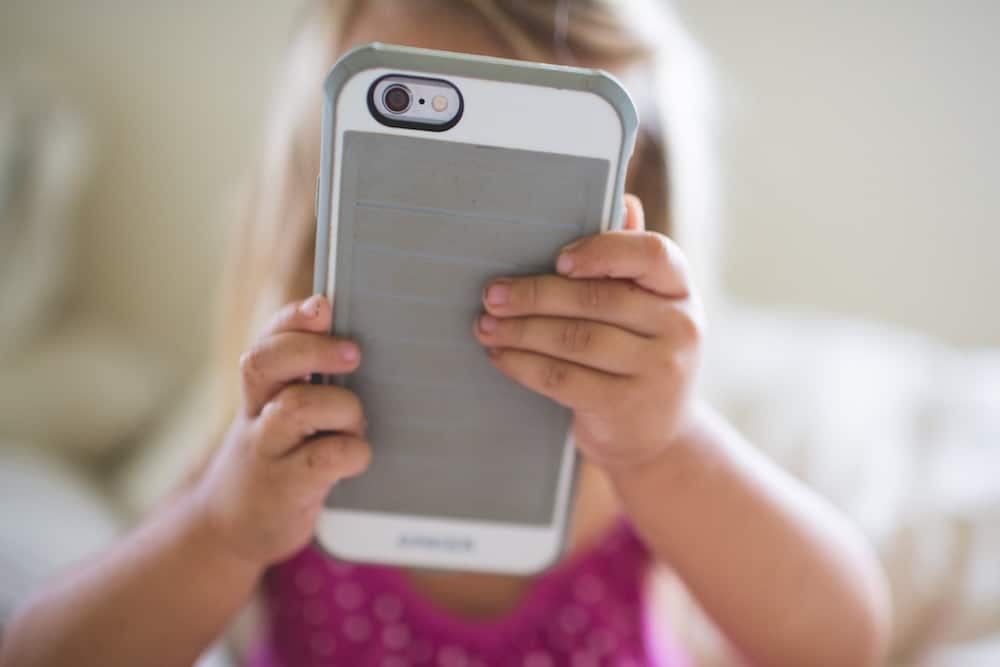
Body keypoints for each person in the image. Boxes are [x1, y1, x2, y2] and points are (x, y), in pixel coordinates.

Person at [0, 2, 891, 666]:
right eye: (407, 182)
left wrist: (666, 445)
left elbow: (843, 641)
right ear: (318, 214)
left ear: (630, 206)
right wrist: (224, 531)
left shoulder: (649, 471)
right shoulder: (283, 462)